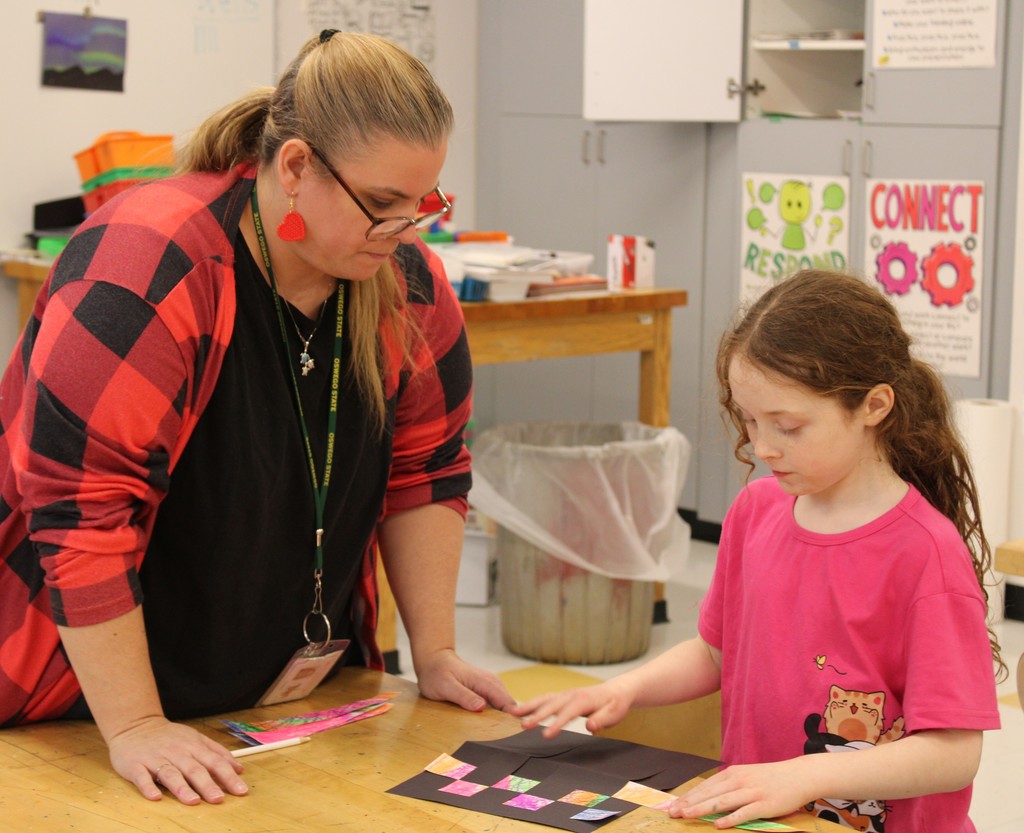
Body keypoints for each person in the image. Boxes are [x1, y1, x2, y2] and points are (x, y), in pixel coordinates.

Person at [0, 30, 512, 805]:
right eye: (382, 204)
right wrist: (136, 722)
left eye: (425, 202)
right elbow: (80, 513)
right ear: (298, 166)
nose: (408, 228)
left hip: (280, 693)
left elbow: (427, 469)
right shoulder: (146, 265)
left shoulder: (406, 281)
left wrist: (434, 651)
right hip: (83, 695)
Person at [511, 270, 1004, 833]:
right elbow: (718, 653)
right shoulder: (756, 511)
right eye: (748, 418)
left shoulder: (925, 554)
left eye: (788, 426)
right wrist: (625, 690)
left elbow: (953, 752)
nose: (763, 446)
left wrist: (805, 776)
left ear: (873, 406)